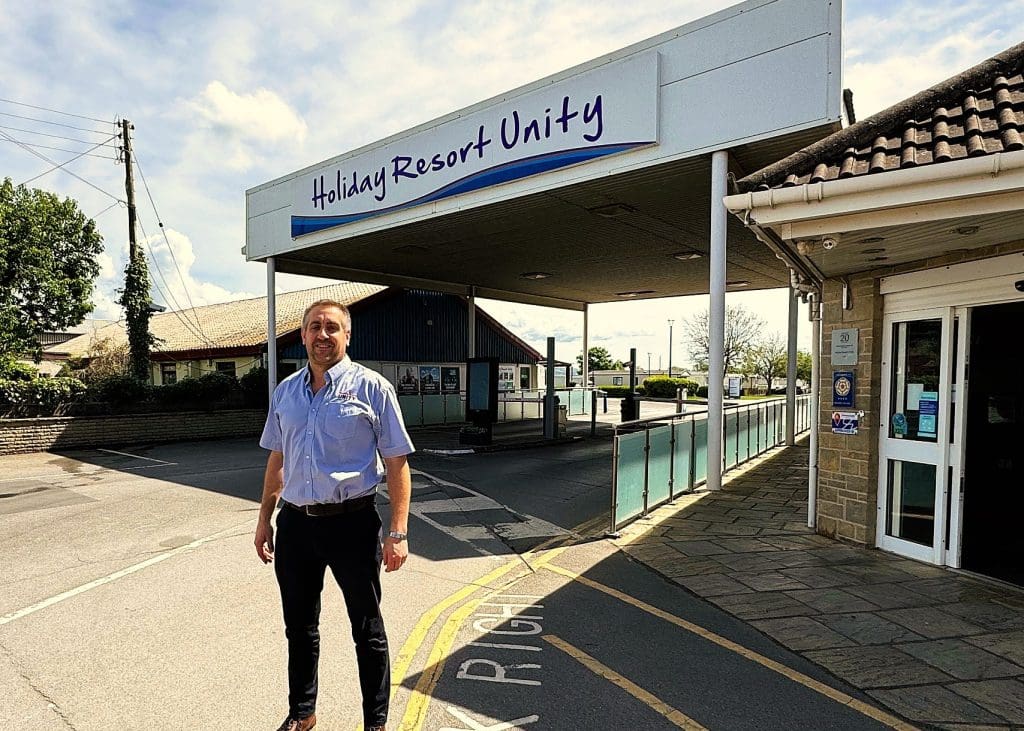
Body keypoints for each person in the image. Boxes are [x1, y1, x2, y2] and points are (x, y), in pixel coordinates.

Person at [255, 299, 414, 731]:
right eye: (314, 327)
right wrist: (264, 517)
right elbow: (277, 458)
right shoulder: (285, 392)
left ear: (347, 336)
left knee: (367, 628)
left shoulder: (373, 388)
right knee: (299, 626)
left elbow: (397, 462)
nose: (322, 335)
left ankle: (375, 723)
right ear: (303, 335)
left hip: (352, 524)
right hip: (295, 524)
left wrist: (397, 533)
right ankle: (302, 713)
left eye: (331, 328)